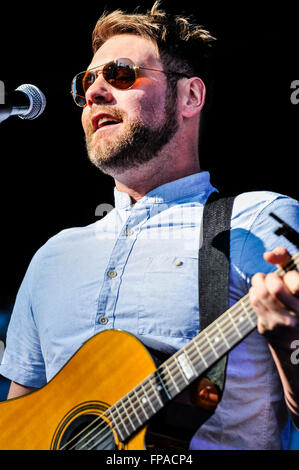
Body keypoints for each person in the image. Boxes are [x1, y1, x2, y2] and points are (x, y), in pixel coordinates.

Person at [0, 1, 298, 450]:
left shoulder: (259, 220)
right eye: (87, 83)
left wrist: (288, 336)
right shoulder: (52, 256)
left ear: (190, 97)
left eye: (120, 75)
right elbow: (18, 432)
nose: (96, 92)